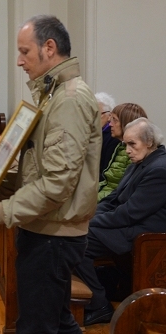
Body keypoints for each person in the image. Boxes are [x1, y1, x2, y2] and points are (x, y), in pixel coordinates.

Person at [0, 15, 101, 334]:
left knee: (37, 326)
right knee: (56, 321)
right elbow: (35, 168)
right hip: (46, 227)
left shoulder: (69, 99)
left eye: (25, 51)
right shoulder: (52, 95)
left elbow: (57, 182)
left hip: (53, 233)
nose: (19, 60)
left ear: (49, 47)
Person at [75, 118, 166, 325]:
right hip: (131, 222)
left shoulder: (160, 168)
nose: (127, 150)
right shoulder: (142, 160)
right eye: (125, 144)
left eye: (132, 144)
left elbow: (130, 213)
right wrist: (88, 215)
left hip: (146, 232)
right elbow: (114, 198)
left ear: (150, 142)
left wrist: (89, 223)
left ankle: (100, 306)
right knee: (76, 235)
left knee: (79, 241)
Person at [97, 103, 147, 201]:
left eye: (114, 120)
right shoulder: (120, 146)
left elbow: (122, 192)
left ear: (127, 123)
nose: (110, 123)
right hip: (105, 198)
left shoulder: (134, 153)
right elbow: (107, 182)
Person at [96, 92, 120, 181]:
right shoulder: (93, 132)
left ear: (109, 115)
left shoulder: (113, 136)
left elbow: (105, 171)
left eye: (97, 114)